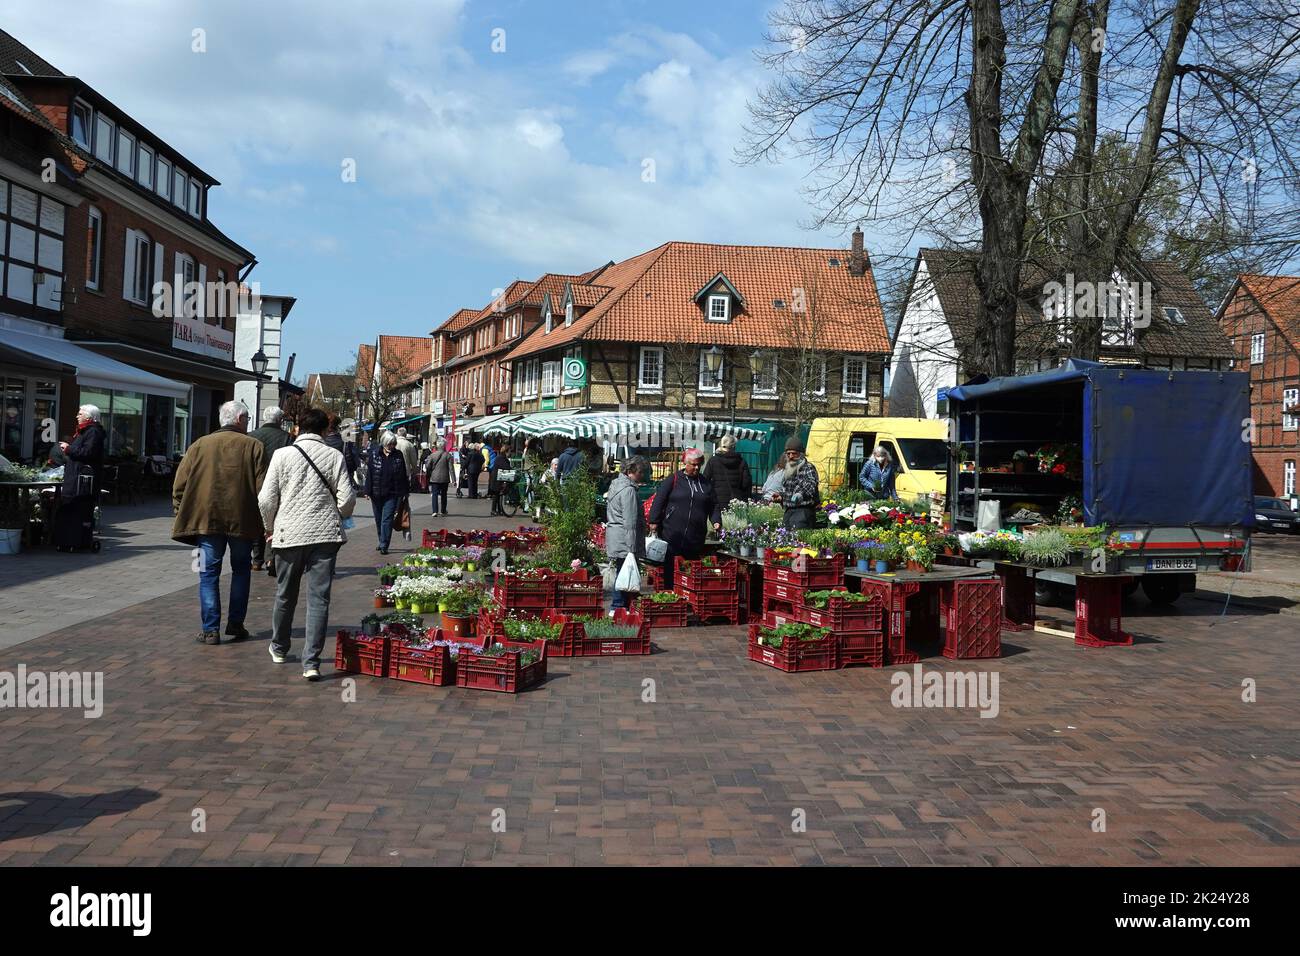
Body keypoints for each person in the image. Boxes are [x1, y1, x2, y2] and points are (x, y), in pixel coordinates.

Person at [258, 407, 356, 681]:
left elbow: (266, 499)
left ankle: (279, 647)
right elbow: (347, 501)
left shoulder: (282, 455)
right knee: (319, 599)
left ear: (298, 428)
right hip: (324, 536)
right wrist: (339, 513)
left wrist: (269, 527)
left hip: (289, 534)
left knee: (285, 593)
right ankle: (311, 662)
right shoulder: (334, 456)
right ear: (325, 430)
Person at [171, 400, 267, 645]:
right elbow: (263, 490)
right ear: (239, 420)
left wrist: (181, 511)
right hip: (243, 522)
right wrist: (267, 521)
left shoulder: (199, 445)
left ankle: (210, 629)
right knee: (241, 571)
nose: (248, 424)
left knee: (207, 574)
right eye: (246, 420)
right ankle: (235, 623)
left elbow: (179, 484)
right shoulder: (254, 446)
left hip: (206, 521)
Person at [647, 448, 720, 590]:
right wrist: (654, 521)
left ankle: (686, 596)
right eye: (693, 464)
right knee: (670, 569)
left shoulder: (705, 484)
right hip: (672, 534)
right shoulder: (673, 479)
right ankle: (669, 594)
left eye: (699, 464)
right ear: (685, 464)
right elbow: (659, 500)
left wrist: (716, 520)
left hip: (695, 536)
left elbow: (714, 505)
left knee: (689, 570)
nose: (697, 467)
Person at [56, 404, 107, 548]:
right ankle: (72, 539)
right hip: (77, 479)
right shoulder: (85, 431)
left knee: (81, 510)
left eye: (80, 414)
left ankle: (78, 540)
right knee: (73, 510)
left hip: (83, 483)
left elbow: (88, 453)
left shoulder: (93, 432)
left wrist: (68, 449)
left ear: (89, 417)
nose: (77, 416)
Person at [248, 406, 293, 572]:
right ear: (280, 420)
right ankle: (271, 559)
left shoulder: (251, 436)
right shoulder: (287, 438)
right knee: (273, 523)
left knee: (257, 523)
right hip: (278, 486)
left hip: (254, 486)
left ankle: (256, 560)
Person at [605, 455, 649, 611]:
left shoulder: (616, 484)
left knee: (621, 571)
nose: (642, 475)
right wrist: (632, 548)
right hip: (624, 538)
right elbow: (629, 521)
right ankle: (617, 607)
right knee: (624, 572)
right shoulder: (628, 490)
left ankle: (621, 606)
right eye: (640, 472)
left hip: (616, 535)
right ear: (631, 470)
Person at [364, 431, 409, 554]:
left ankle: (384, 545)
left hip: (392, 493)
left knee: (387, 519)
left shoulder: (398, 455)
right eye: (390, 444)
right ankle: (381, 540)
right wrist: (367, 491)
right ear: (384, 443)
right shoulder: (374, 454)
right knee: (379, 520)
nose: (392, 446)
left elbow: (403, 474)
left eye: (393, 444)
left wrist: (405, 491)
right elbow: (370, 474)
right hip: (376, 493)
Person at [773, 436, 820, 529]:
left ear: (801, 454)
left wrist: (800, 494)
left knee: (799, 541)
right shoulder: (789, 469)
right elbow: (790, 490)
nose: (791, 456)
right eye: (788, 453)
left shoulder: (808, 467)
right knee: (787, 540)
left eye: (794, 453)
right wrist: (781, 497)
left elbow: (811, 484)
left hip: (803, 512)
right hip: (789, 511)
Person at [702, 434, 753, 509]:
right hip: (735, 501)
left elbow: (705, 480)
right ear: (733, 446)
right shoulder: (741, 461)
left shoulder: (713, 461)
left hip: (717, 501)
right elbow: (746, 484)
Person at [424, 442, 452, 517]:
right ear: (444, 447)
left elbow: (427, 466)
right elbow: (451, 469)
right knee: (444, 494)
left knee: (434, 494)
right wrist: (454, 480)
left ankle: (435, 511)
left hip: (434, 478)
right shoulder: (448, 455)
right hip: (445, 478)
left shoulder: (432, 455)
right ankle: (443, 510)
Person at [488, 440, 506, 516]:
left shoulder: (500, 457)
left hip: (497, 479)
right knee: (496, 495)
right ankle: (493, 510)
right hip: (496, 479)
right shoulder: (501, 458)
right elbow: (505, 467)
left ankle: (498, 510)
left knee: (498, 495)